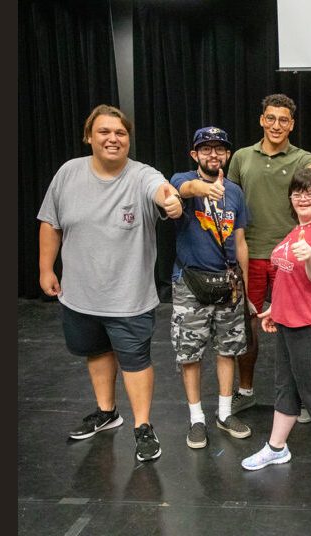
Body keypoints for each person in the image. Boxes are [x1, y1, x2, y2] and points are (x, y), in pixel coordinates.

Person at [37, 104, 183, 462]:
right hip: (79, 296)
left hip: (128, 298)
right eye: (104, 132)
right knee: (97, 352)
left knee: (135, 361)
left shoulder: (142, 175)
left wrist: (172, 199)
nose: (113, 139)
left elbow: (161, 190)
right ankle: (107, 412)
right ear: (89, 137)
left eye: (120, 133)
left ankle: (143, 426)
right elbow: (50, 223)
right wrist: (45, 269)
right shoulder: (68, 173)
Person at [240, 168, 311, 475]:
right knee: (285, 389)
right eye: (297, 191)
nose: (302, 197)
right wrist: (276, 308)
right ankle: (277, 448)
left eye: (310, 191)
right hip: (289, 325)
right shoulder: (293, 232)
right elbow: (288, 279)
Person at [226, 94, 311, 415]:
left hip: (289, 257)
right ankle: (246, 389)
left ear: (292, 124)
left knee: (295, 329)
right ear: (261, 120)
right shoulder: (241, 157)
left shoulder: (302, 157)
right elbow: (229, 205)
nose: (276, 125)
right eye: (271, 118)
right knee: (247, 326)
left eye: (284, 120)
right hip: (249, 254)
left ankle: (301, 398)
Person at [169, 126, 252, 449]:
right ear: (195, 154)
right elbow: (184, 189)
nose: (213, 154)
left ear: (227, 154)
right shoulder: (181, 180)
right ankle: (196, 418)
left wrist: (244, 285)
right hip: (191, 282)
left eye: (219, 149)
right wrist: (200, 188)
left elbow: (241, 239)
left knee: (228, 350)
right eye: (206, 149)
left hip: (228, 282)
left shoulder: (235, 192)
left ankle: (224, 412)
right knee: (189, 353)